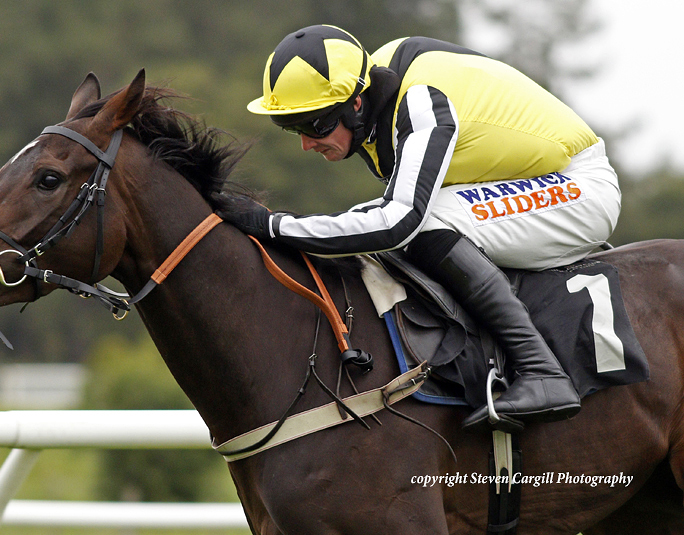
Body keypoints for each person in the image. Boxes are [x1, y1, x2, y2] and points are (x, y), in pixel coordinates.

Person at [218, 24, 621, 431]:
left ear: (356, 104)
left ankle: (542, 372)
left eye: (316, 125)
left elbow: (399, 223)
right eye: (293, 128)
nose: (306, 143)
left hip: (578, 186)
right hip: (528, 180)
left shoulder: (420, 100)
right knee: (375, 218)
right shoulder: (378, 96)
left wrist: (274, 226)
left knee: (423, 224)